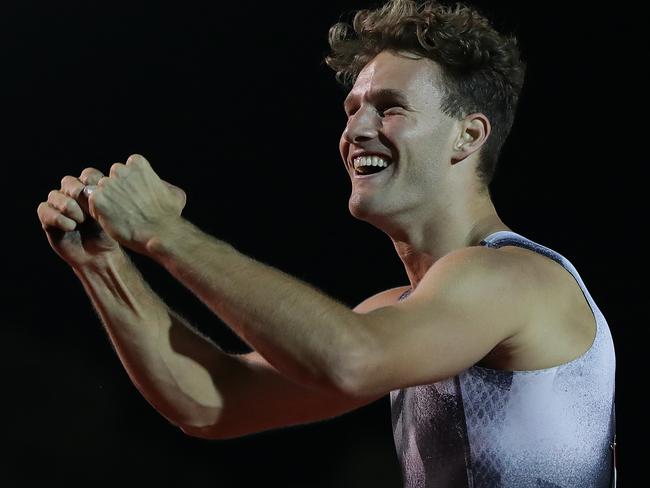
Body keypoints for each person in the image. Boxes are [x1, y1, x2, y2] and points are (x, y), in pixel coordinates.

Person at [36, 0, 616, 486]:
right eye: (352, 109)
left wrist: (168, 234)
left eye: (390, 108)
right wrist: (103, 265)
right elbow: (213, 402)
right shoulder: (404, 314)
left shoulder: (513, 277)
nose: (356, 130)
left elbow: (351, 360)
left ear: (468, 135)